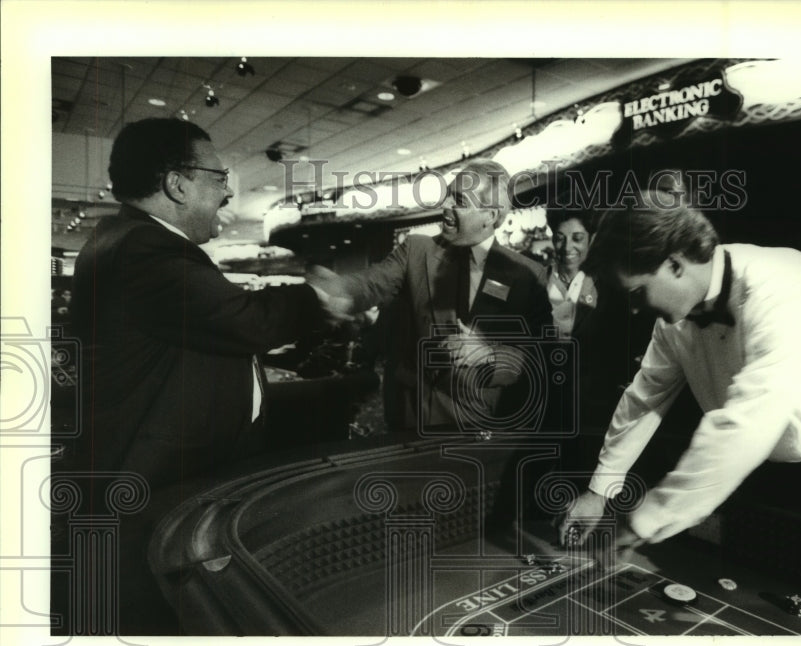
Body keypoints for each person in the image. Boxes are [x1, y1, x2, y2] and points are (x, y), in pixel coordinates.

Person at [560, 190, 801, 545]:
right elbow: (644, 397)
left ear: (675, 264)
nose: (633, 310)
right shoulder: (671, 322)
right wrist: (599, 491)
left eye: (636, 294)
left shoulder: (780, 287)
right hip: (756, 465)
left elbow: (751, 417)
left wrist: (646, 520)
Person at [69, 117, 333, 489]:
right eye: (219, 178)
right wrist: (322, 296)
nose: (227, 194)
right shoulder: (143, 248)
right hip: (154, 486)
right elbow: (248, 320)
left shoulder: (126, 239)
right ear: (177, 185)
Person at [306, 160, 552, 432]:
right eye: (447, 194)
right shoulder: (416, 250)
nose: (445, 205)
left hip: (477, 428)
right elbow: (372, 283)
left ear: (490, 216)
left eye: (458, 199)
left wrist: (489, 355)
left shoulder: (528, 275)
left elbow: (538, 356)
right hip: (410, 418)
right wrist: (340, 290)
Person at [545, 207, 653, 467]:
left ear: (591, 238)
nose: (567, 246)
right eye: (559, 237)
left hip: (594, 417)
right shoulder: (536, 281)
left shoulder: (611, 287)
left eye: (577, 238)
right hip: (544, 413)